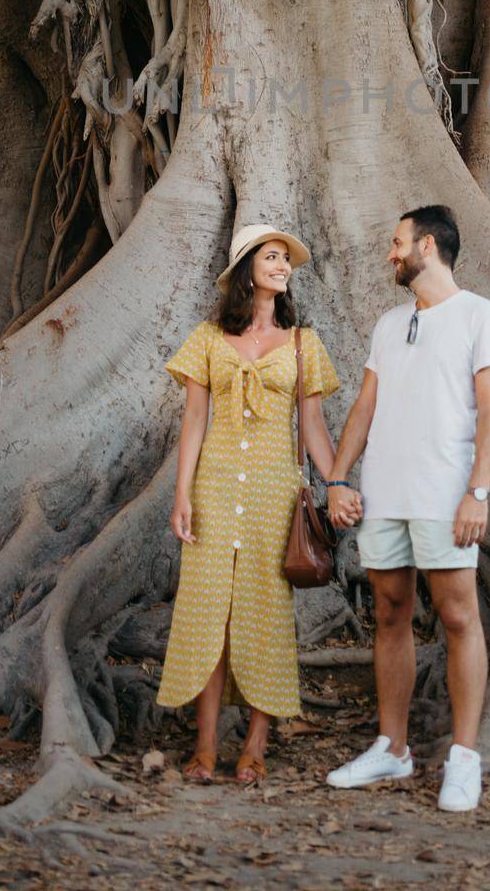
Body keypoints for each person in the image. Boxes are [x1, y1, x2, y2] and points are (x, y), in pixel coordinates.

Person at [325, 205, 490, 813]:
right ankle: (393, 748)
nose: (390, 253)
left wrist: (477, 492)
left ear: (426, 247)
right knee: (389, 613)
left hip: (444, 494)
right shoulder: (388, 324)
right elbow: (364, 407)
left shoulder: (482, 316)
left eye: (397, 241)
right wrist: (337, 478)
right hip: (384, 493)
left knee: (458, 618)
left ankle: (463, 757)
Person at [157, 223, 355, 784]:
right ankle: (204, 747)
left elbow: (312, 426)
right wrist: (181, 494)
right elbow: (195, 420)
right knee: (207, 615)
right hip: (215, 487)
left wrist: (336, 481)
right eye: (272, 257)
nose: (283, 266)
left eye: (286, 260)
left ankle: (256, 744)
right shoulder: (207, 338)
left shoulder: (302, 344)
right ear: (247, 268)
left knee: (266, 615)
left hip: (274, 490)